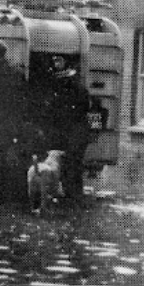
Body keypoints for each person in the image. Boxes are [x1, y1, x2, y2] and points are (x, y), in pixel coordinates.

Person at [0, 39, 30, 202]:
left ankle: (0, 194)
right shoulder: (16, 70)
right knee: (9, 159)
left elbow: (0, 104)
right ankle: (6, 194)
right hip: (15, 123)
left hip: (4, 124)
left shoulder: (1, 73)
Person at [47, 55, 92, 202]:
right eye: (54, 61)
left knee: (73, 164)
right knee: (70, 164)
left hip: (77, 130)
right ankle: (71, 195)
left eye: (59, 60)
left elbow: (82, 109)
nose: (56, 63)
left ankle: (74, 196)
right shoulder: (62, 87)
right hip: (70, 130)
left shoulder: (76, 89)